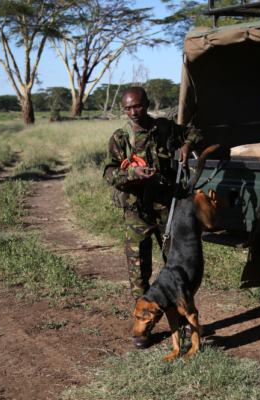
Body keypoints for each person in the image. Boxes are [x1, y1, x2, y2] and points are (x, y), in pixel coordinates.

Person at [103, 87, 202, 348]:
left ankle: (181, 319)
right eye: (127, 108)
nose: (133, 112)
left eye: (137, 106)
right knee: (138, 271)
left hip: (168, 210)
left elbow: (194, 131)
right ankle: (144, 327)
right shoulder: (121, 137)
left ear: (146, 104)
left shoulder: (164, 127)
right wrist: (134, 174)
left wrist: (186, 144)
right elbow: (109, 173)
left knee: (176, 267)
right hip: (137, 213)